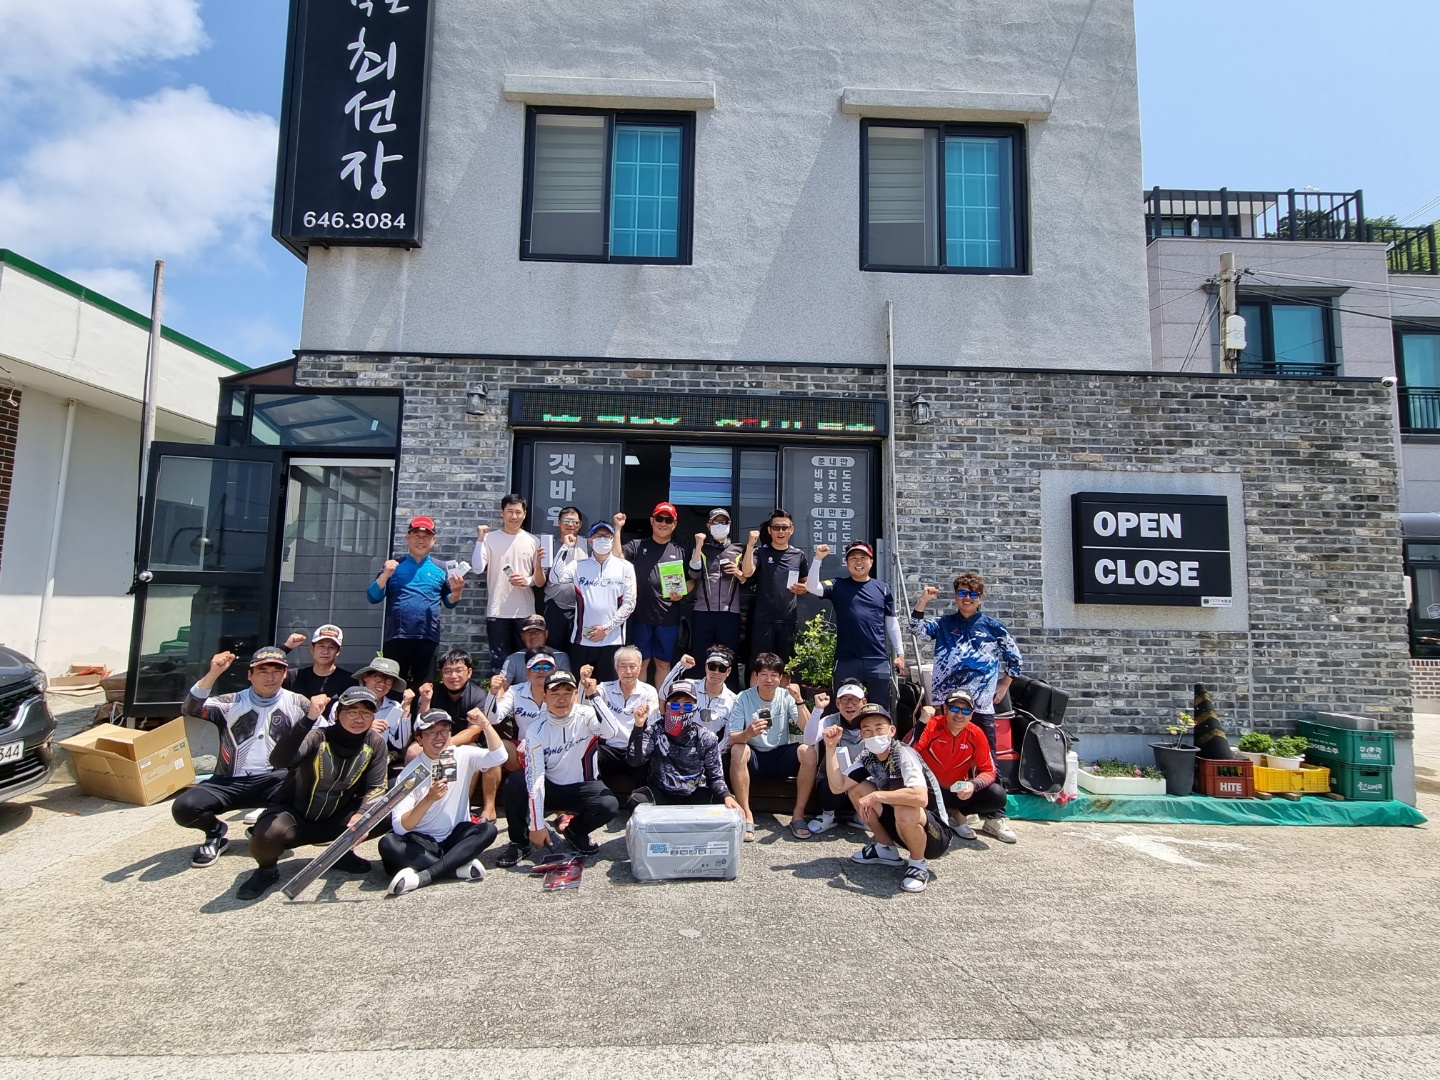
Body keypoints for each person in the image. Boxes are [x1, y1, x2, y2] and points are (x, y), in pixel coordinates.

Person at [237, 685, 391, 900]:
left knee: (386, 814)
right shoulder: (318, 736)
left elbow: (377, 787)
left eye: (366, 713)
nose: (359, 718)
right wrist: (308, 719)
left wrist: (362, 814)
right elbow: (279, 760)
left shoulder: (375, 743)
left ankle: (340, 853)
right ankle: (266, 871)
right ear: (338, 713)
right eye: (352, 712)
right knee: (267, 834)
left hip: (336, 821)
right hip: (295, 819)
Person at [174, 647, 310, 868]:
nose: (270, 677)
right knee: (185, 808)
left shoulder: (299, 703)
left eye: (277, 671)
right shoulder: (231, 702)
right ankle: (215, 832)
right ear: (250, 674)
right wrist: (214, 672)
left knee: (306, 800)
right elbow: (191, 708)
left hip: (274, 780)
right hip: (228, 780)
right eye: (263, 671)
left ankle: (262, 828)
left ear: (285, 674)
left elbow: (322, 735)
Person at [497, 669, 625, 868]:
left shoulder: (587, 714)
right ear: (544, 696)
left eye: (567, 692)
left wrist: (594, 696)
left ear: (576, 694)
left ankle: (575, 832)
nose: (561, 699)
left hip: (582, 786)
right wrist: (537, 825)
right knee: (515, 782)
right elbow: (536, 777)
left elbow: (611, 731)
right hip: (551, 787)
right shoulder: (536, 729)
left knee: (608, 804)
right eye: (555, 693)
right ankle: (520, 842)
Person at [822, 703, 949, 893]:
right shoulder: (867, 757)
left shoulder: (903, 753)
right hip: (900, 825)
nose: (873, 734)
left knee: (904, 806)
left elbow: (920, 797)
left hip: (935, 835)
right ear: (862, 735)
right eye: (867, 730)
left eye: (879, 728)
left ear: (892, 731)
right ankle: (886, 849)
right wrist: (830, 747)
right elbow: (838, 787)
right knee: (857, 788)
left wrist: (877, 795)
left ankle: (917, 864)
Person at [380, 708, 508, 895]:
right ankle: (455, 869)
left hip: (455, 838)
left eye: (444, 730)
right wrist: (428, 799)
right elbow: (400, 827)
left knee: (487, 829)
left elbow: (500, 756)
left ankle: (425, 875)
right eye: (431, 732)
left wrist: (485, 724)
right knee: (388, 843)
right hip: (422, 843)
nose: (439, 737)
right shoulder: (412, 773)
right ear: (419, 739)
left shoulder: (461, 754)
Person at [909, 573, 1024, 758]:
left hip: (980, 704)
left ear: (980, 598)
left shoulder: (994, 627)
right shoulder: (944, 623)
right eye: (962, 593)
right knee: (944, 755)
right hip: (948, 704)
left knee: (986, 756)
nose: (967, 598)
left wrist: (1004, 684)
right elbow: (916, 629)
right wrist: (923, 601)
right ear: (956, 596)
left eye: (973, 594)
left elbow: (1015, 658)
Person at [367, 515, 464, 689]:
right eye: (416, 535)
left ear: (433, 540)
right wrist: (385, 575)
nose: (421, 540)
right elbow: (373, 597)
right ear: (407, 537)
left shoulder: (441, 568)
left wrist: (457, 591)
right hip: (396, 636)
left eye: (426, 537)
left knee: (425, 689)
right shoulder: (393, 566)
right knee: (392, 687)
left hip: (427, 636)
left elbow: (450, 603)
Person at [806, 540, 903, 711]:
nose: (858, 562)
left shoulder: (883, 589)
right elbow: (812, 587)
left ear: (871, 561)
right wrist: (818, 559)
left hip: (877, 659)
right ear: (847, 562)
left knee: (880, 710)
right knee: (844, 708)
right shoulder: (837, 585)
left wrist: (900, 653)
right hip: (846, 659)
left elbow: (891, 621)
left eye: (863, 558)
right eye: (853, 558)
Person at [727, 652, 813, 842]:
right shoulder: (743, 698)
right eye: (764, 674)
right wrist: (748, 733)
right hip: (754, 756)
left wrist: (799, 700)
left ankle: (798, 815)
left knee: (809, 751)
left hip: (780, 755)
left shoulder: (786, 696)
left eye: (774, 675)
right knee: (738, 749)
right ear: (755, 676)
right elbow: (732, 738)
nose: (769, 679)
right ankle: (746, 814)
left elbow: (808, 731)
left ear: (781, 678)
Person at [912, 689, 1016, 843]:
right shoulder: (931, 725)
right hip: (929, 791)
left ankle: (958, 813)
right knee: (934, 837)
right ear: (945, 709)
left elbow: (989, 770)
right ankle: (943, 816)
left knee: (997, 795)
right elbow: (908, 753)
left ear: (972, 715)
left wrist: (973, 785)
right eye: (954, 708)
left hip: (956, 790)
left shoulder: (976, 733)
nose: (959, 715)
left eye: (966, 710)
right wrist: (921, 723)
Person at [414, 648, 503, 818]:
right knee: (413, 750)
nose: (453, 676)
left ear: (469, 672)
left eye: (458, 670)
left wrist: (446, 745)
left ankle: (483, 808)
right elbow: (420, 727)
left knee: (484, 755)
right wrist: (425, 702)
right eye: (447, 671)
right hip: (435, 742)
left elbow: (474, 731)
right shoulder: (432, 693)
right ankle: (418, 800)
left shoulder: (478, 696)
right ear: (441, 674)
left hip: (467, 744)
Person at [626, 680, 741, 809]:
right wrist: (638, 726)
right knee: (636, 801)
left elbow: (715, 777)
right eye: (675, 705)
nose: (681, 711)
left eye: (687, 706)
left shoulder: (706, 737)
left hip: (694, 794)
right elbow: (634, 761)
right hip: (661, 793)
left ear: (695, 708)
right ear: (667, 706)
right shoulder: (655, 731)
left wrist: (726, 795)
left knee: (725, 803)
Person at [550, 519, 636, 683]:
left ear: (613, 540)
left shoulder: (625, 567)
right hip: (581, 640)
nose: (602, 539)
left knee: (608, 689)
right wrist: (565, 547)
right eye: (598, 536)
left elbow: (629, 604)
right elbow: (554, 577)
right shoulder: (578, 565)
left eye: (606, 536)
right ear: (590, 540)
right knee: (580, 687)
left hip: (612, 641)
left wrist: (606, 628)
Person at [472, 494, 546, 674]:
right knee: (499, 663)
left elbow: (539, 581)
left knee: (527, 660)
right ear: (502, 513)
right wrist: (480, 539)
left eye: (518, 512)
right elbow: (477, 568)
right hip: (497, 610)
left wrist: (526, 580)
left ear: (524, 514)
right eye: (510, 511)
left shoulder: (533, 541)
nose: (514, 516)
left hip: (525, 611)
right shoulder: (490, 538)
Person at [618, 503, 690, 686]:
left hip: (668, 617)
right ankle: (639, 701)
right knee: (640, 663)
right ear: (652, 521)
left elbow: (693, 580)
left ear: (674, 524)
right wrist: (617, 529)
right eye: (659, 518)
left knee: (663, 663)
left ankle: (661, 701)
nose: (663, 523)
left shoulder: (681, 550)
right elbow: (616, 559)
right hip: (641, 616)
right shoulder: (637, 545)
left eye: (668, 520)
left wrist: (682, 592)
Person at [739, 509, 810, 669]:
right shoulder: (760, 552)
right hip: (763, 619)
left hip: (788, 620)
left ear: (791, 530)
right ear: (770, 530)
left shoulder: (798, 555)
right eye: (776, 527)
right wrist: (750, 545)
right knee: (759, 666)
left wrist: (804, 588)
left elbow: (806, 583)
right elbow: (747, 572)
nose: (781, 531)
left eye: (785, 527)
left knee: (786, 667)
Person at [802, 679, 867, 835]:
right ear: (837, 703)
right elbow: (808, 740)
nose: (849, 705)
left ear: (864, 702)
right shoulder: (831, 720)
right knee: (827, 785)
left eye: (854, 700)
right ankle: (828, 815)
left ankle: (862, 816)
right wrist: (818, 710)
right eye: (844, 700)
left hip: (861, 781)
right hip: (834, 780)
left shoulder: (871, 722)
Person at [688, 509, 747, 676]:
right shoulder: (701, 549)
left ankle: (730, 691)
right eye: (716, 522)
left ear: (729, 524)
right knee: (700, 656)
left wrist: (738, 572)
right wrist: (698, 545)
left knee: (729, 657)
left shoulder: (739, 549)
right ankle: (698, 690)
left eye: (724, 522)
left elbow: (747, 578)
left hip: (730, 613)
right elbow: (693, 574)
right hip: (703, 612)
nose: (720, 525)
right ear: (709, 525)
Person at [594, 645, 660, 788]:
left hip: (635, 749)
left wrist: (640, 723)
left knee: (650, 758)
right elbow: (587, 700)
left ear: (640, 667)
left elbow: (653, 725)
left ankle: (643, 796)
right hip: (608, 749)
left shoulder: (649, 691)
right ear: (616, 668)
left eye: (632, 666)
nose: (628, 672)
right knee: (592, 755)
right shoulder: (604, 688)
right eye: (623, 666)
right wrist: (585, 686)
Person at [657, 645, 740, 744]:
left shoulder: (734, 700)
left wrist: (715, 750)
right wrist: (680, 666)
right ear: (706, 667)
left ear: (728, 671)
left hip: (711, 747)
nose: (716, 672)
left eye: (722, 668)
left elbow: (728, 735)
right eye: (712, 666)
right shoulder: (689, 685)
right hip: (680, 744)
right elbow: (664, 694)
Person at [349, 656, 416, 765]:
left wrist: (406, 708)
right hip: (348, 759)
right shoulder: (347, 703)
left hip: (377, 763)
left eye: (388, 680)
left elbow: (400, 743)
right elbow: (335, 738)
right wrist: (365, 729)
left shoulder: (394, 707)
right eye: (378, 677)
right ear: (366, 677)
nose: (382, 684)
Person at [541, 505, 587, 652]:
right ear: (559, 523)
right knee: (554, 649)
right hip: (555, 606)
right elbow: (542, 578)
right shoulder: (550, 546)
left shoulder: (587, 545)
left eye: (574, 521)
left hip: (581, 608)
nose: (570, 524)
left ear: (580, 524)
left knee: (577, 650)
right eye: (566, 521)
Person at [280, 624, 356, 698]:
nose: (325, 651)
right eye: (321, 646)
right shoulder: (294, 677)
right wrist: (286, 647)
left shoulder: (349, 681)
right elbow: (272, 664)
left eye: (331, 647)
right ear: (312, 648)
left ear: (338, 651)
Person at [499, 614, 571, 685]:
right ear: (522, 636)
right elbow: (502, 685)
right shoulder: (513, 659)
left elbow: (566, 685)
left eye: (538, 632)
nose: (533, 636)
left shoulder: (561, 657)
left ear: (546, 634)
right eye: (528, 633)